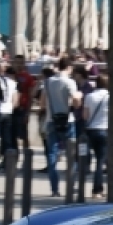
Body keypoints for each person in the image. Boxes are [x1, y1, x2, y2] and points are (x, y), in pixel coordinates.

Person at [43, 59, 80, 197]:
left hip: (51, 120)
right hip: (67, 120)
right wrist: (79, 96)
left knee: (52, 155)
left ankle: (54, 188)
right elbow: (76, 104)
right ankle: (71, 184)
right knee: (71, 154)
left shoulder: (48, 82)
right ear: (69, 67)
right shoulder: (70, 82)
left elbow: (41, 103)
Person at [82, 75, 110, 198]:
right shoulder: (110, 97)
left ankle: (97, 188)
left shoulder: (89, 96)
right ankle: (97, 190)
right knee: (101, 161)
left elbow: (85, 116)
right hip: (105, 129)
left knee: (93, 160)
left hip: (91, 131)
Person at [11, 55, 37, 150]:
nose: (18, 65)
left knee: (24, 135)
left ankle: (27, 158)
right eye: (16, 62)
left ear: (24, 63)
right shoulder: (11, 76)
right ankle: (12, 157)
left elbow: (30, 96)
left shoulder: (28, 77)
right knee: (11, 135)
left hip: (22, 109)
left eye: (21, 62)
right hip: (11, 109)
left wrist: (28, 113)